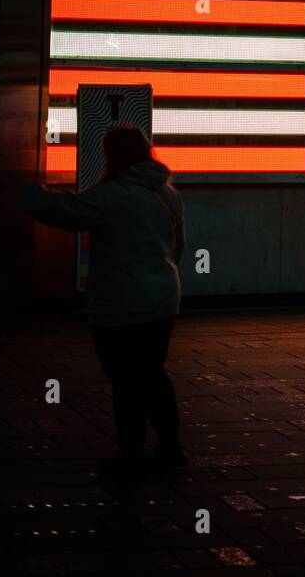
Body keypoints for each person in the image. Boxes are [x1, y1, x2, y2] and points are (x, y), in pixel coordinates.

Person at [23, 125, 186, 485]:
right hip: (162, 299)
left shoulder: (112, 196)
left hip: (120, 302)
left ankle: (131, 455)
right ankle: (170, 447)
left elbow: (65, 211)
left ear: (112, 155)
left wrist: (29, 191)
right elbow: (179, 246)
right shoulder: (168, 193)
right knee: (152, 374)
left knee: (125, 380)